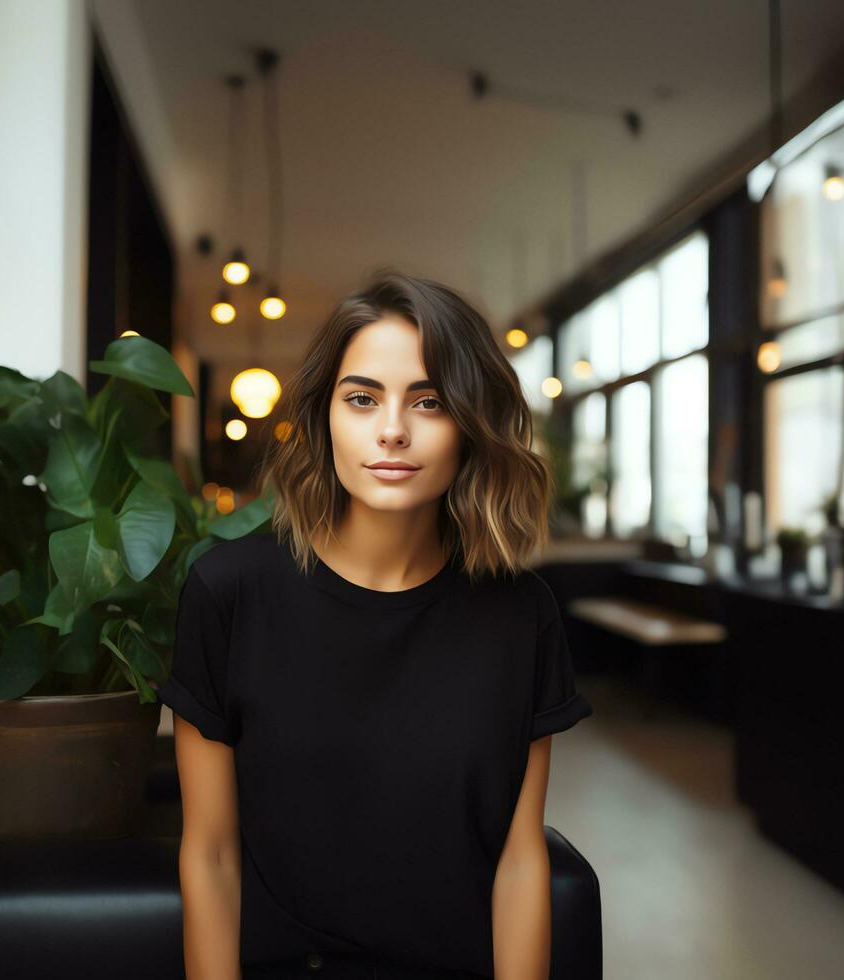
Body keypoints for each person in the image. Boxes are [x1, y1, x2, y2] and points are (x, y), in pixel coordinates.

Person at [157, 270, 593, 979]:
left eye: (429, 402)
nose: (392, 430)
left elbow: (518, 859)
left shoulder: (519, 614)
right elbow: (209, 854)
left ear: (470, 425)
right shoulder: (228, 592)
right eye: (362, 399)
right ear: (323, 415)